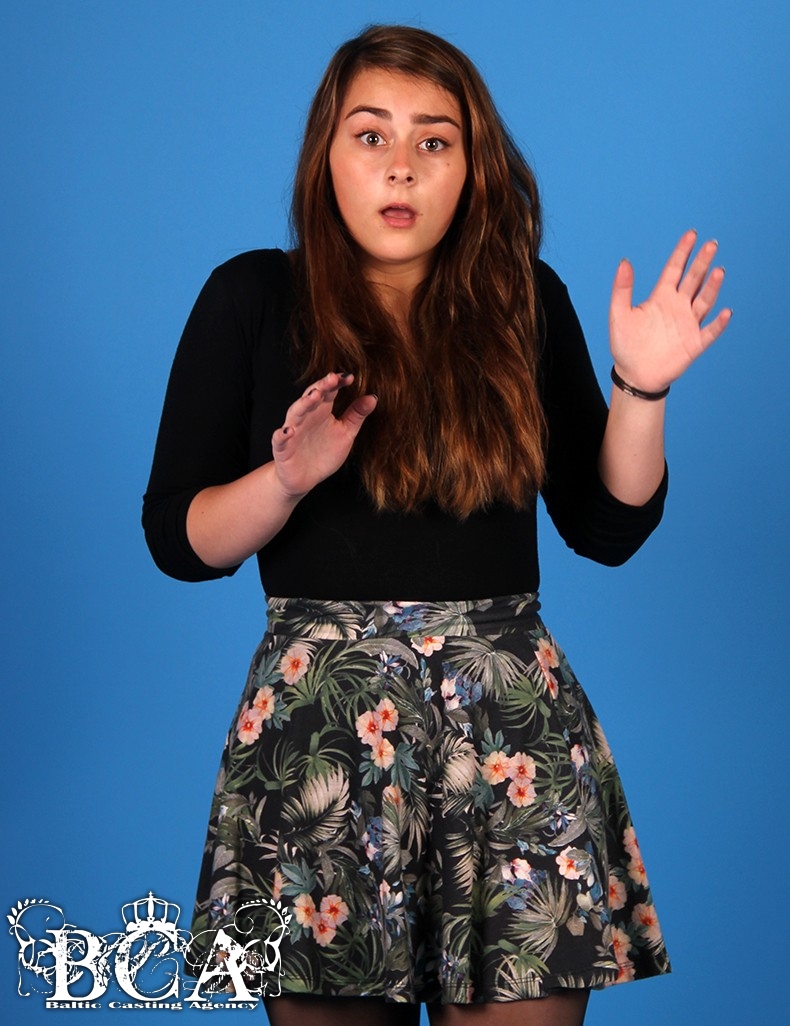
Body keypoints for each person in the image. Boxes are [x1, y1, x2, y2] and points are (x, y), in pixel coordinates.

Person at [143, 24, 730, 1026]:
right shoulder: (252, 296)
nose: (401, 166)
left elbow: (607, 527)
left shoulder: (522, 299)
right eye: (371, 135)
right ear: (326, 154)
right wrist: (284, 481)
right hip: (320, 735)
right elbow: (178, 541)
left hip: (510, 732)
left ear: (472, 166)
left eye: (435, 140)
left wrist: (642, 389)